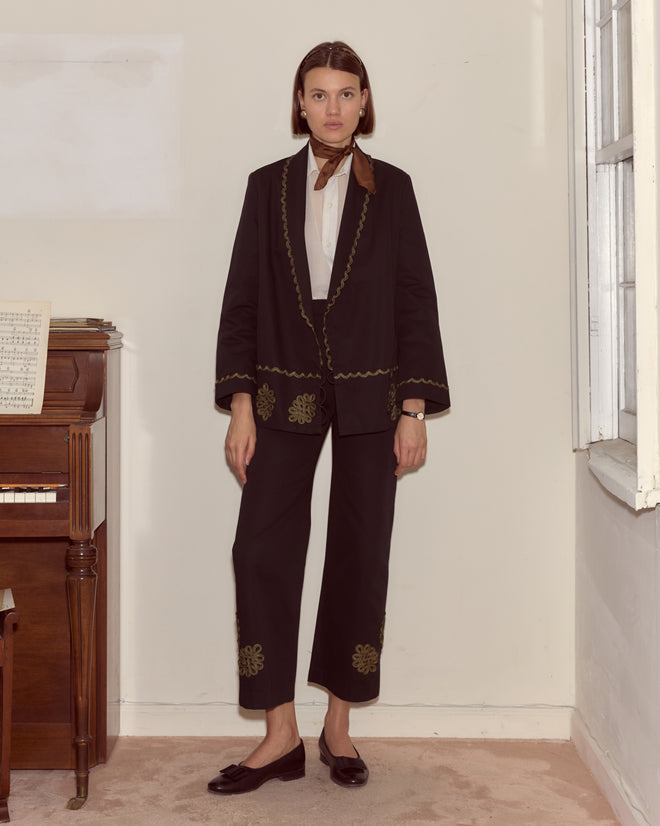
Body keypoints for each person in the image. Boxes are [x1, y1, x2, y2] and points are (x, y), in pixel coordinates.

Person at [209, 40, 449, 795]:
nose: (334, 107)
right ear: (300, 103)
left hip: (375, 394)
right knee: (259, 552)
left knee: (359, 552)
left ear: (365, 101)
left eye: (348, 93)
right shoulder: (265, 186)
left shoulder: (395, 189)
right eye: (319, 94)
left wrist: (414, 407)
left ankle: (337, 725)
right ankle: (278, 734)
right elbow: (242, 299)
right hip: (281, 391)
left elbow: (414, 297)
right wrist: (240, 404)